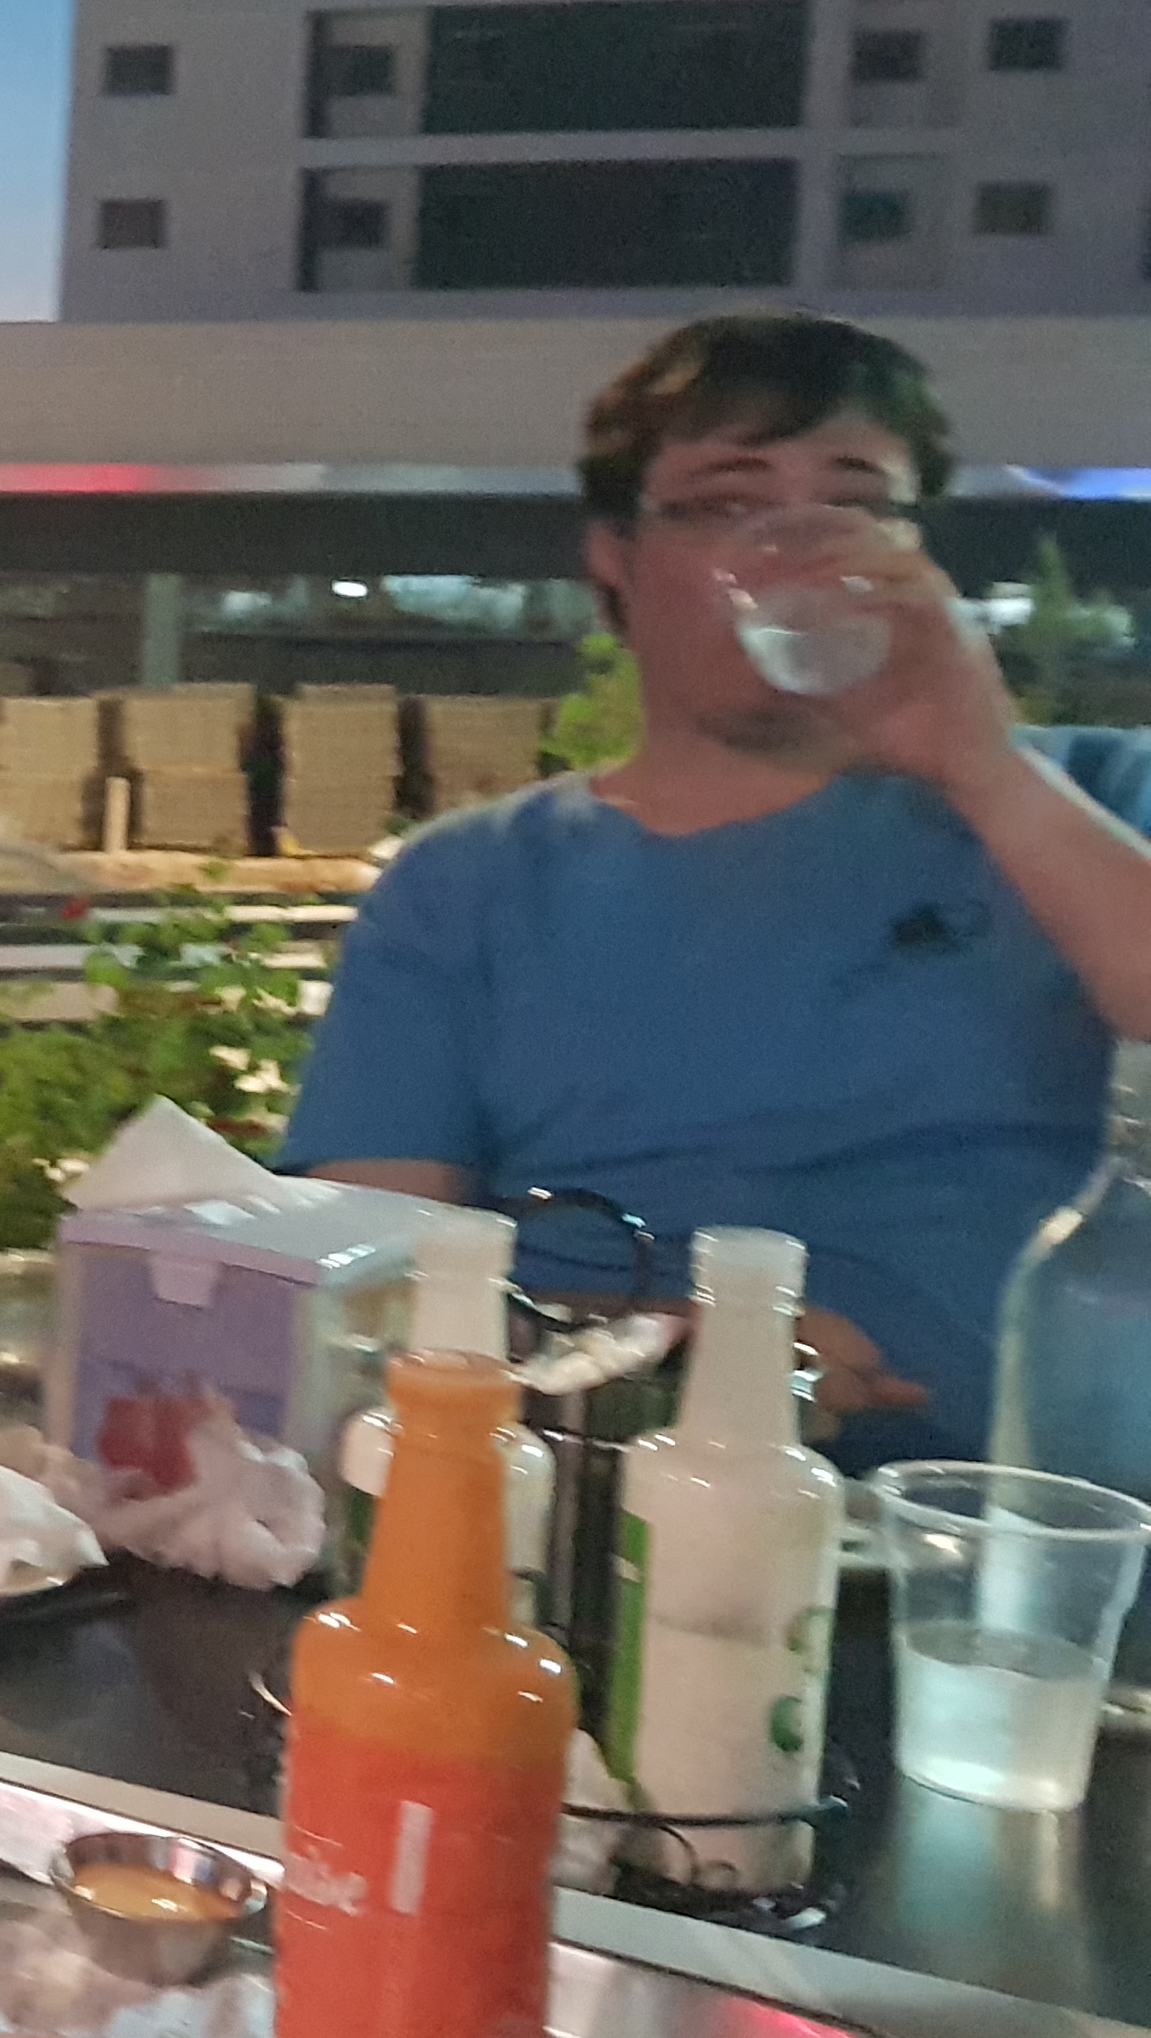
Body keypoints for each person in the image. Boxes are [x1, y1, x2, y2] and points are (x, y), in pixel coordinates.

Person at [283, 311, 1151, 1468]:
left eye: (856, 502)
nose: (800, 549)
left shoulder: (1089, 796)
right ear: (615, 557)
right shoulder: (469, 883)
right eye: (729, 502)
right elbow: (363, 1287)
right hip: (594, 1502)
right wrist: (678, 1359)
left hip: (1019, 1528)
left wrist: (987, 770)